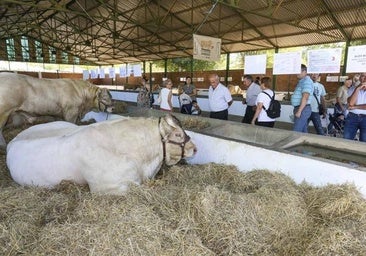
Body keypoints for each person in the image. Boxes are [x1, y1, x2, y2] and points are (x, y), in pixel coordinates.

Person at [291, 64, 314, 133]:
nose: (296, 73)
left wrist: (299, 111)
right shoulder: (302, 81)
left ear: (304, 71)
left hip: (302, 109)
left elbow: (305, 97)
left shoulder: (306, 81)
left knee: (296, 131)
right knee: (303, 132)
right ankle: (305, 143)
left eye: (298, 71)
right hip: (301, 108)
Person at [344, 73, 366, 142]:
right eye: (363, 76)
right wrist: (357, 88)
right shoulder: (353, 89)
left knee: (364, 143)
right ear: (360, 78)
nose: (365, 78)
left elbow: (352, 106)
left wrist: (355, 107)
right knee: (347, 141)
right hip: (352, 117)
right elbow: (351, 103)